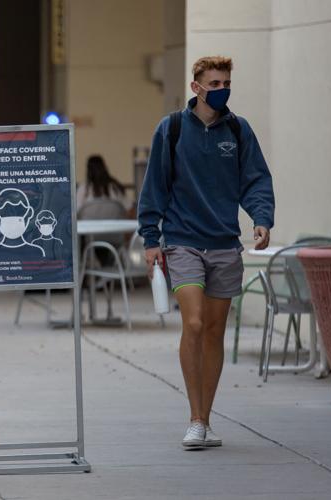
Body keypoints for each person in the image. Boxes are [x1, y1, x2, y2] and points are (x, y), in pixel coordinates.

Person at [137, 56, 274, 450]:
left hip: (225, 244)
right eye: (214, 82)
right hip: (182, 242)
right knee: (194, 323)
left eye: (226, 81)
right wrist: (151, 239)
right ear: (196, 87)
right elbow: (155, 186)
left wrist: (261, 218)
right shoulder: (173, 128)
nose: (222, 88)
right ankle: (195, 420)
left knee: (214, 332)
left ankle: (206, 419)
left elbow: (256, 179)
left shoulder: (238, 130)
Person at [0, 188, 45, 260]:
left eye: (19, 218)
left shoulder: (38, 252)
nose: (12, 223)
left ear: (29, 214)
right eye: (4, 216)